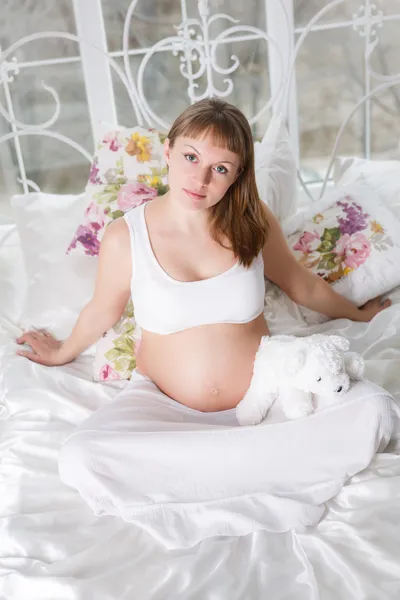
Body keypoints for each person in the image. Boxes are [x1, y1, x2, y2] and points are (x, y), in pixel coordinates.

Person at [15, 99, 397, 547]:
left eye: (221, 168)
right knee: (80, 457)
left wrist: (357, 313)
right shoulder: (126, 236)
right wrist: (61, 352)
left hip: (266, 398)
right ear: (169, 151)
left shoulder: (251, 223)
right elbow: (103, 309)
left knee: (375, 410)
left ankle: (215, 471)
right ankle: (252, 467)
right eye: (191, 158)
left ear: (237, 174)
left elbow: (299, 284)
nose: (199, 179)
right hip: (164, 409)